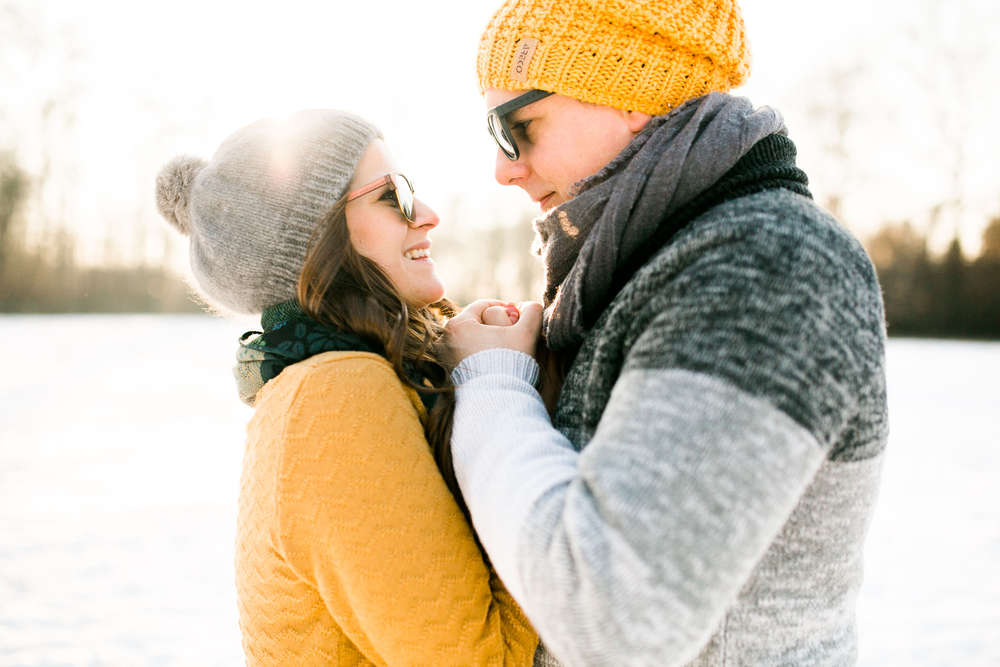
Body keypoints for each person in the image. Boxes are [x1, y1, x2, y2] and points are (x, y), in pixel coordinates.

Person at [445, 1, 889, 665]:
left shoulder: (765, 263)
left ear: (631, 93)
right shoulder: (640, 268)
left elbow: (615, 618)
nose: (503, 168)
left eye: (517, 127)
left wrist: (492, 384)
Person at [154, 109, 537, 666]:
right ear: (318, 237)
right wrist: (505, 387)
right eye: (393, 196)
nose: (427, 215)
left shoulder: (329, 380)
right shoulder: (336, 396)